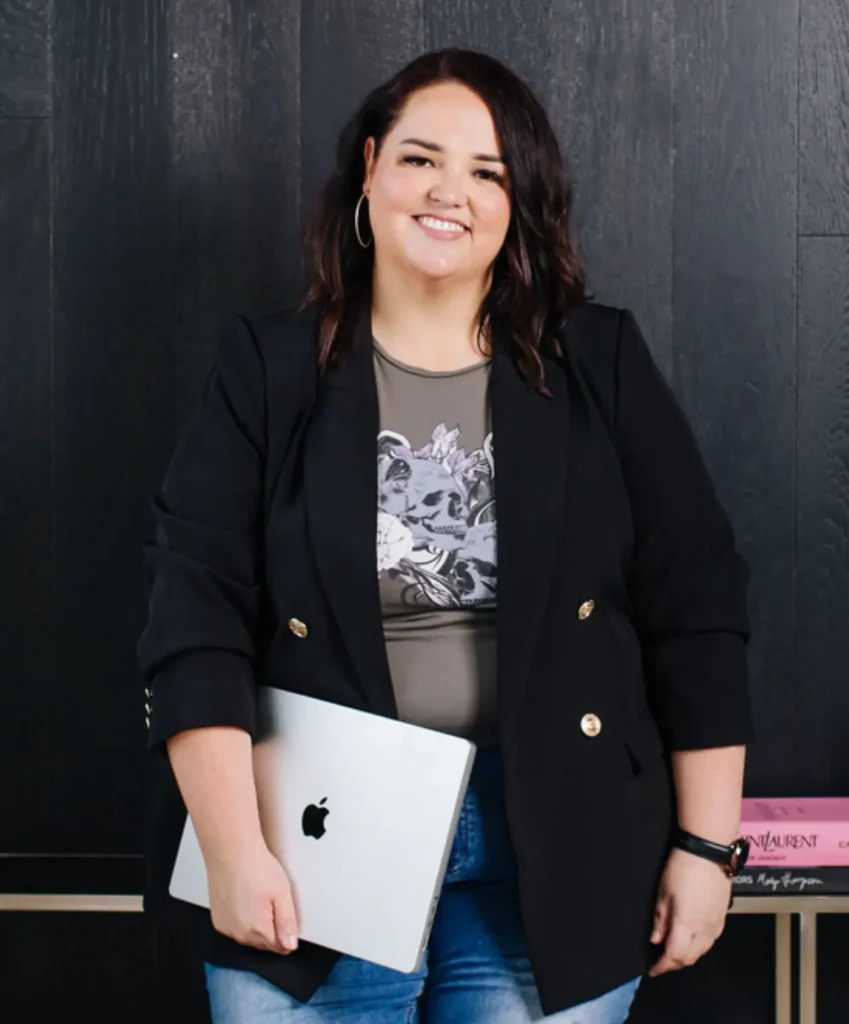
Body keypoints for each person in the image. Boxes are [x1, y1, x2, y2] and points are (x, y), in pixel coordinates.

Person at [137, 48, 755, 1024]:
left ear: (521, 203)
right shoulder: (266, 367)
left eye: (488, 171)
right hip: (313, 851)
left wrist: (708, 848)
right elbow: (193, 615)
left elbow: (700, 611)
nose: (449, 191)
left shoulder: (603, 363)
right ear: (371, 169)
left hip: (552, 849)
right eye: (422, 158)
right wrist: (232, 848)